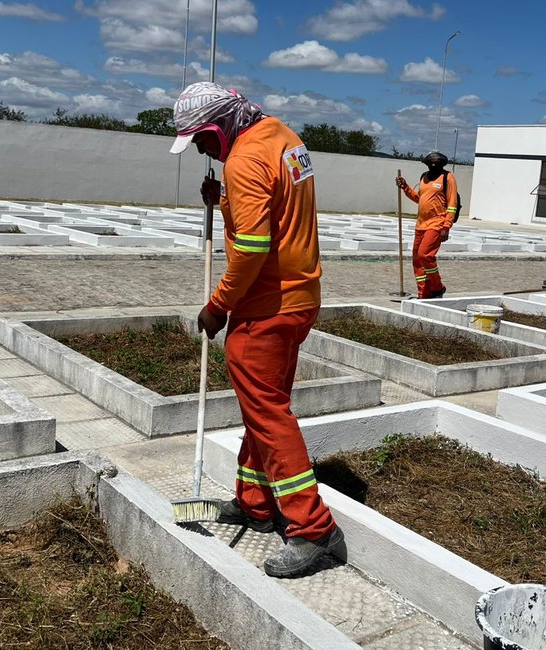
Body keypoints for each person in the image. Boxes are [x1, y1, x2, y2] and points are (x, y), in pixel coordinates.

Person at [169, 81, 342, 578]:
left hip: (265, 307)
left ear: (221, 126)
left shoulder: (244, 160)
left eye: (201, 139)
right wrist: (224, 200)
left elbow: (250, 248)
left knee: (269, 415)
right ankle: (255, 503)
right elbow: (277, 208)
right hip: (299, 298)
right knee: (261, 408)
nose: (201, 150)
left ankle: (313, 529)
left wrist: (217, 305)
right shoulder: (284, 138)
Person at [395, 151, 458, 299]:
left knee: (425, 255)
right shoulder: (424, 177)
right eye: (430, 163)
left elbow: (452, 204)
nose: (433, 166)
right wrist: (405, 187)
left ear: (442, 164)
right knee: (417, 259)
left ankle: (437, 287)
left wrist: (446, 226)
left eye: (436, 164)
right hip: (421, 224)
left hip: (437, 223)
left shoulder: (448, 178)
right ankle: (424, 293)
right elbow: (420, 198)